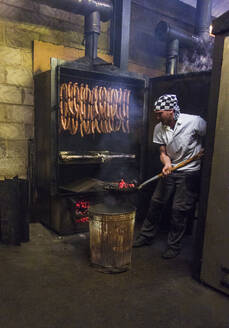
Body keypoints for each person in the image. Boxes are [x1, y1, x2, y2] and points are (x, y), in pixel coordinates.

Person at [133, 94, 207, 259]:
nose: (157, 117)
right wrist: (166, 163)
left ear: (171, 111)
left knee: (178, 210)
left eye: (160, 113)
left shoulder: (194, 121)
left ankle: (174, 246)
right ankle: (146, 236)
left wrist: (206, 149)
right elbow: (162, 151)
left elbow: (213, 133)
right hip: (171, 169)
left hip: (189, 171)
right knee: (156, 203)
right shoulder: (159, 127)